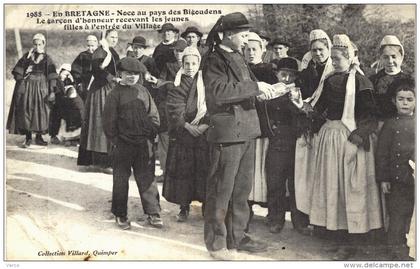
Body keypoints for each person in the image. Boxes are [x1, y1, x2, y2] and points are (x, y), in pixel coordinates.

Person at [290, 34, 383, 260]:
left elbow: (370, 115)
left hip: (350, 140)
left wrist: (358, 136)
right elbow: (319, 109)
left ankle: (354, 242)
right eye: (332, 57)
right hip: (328, 140)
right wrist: (303, 108)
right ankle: (337, 236)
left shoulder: (361, 82)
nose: (334, 61)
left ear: (349, 58)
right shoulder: (329, 79)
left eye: (338, 58)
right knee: (332, 189)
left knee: (349, 190)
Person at [202, 12, 279, 260]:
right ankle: (217, 245)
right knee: (221, 190)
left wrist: (263, 91)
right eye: (243, 35)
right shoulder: (214, 59)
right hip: (227, 134)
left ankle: (237, 236)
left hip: (245, 131)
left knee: (241, 191)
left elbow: (242, 89)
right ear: (227, 35)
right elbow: (218, 93)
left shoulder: (237, 56)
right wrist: (255, 87)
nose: (247, 40)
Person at [102, 57, 163, 230]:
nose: (132, 77)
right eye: (128, 73)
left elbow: (154, 116)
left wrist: (151, 134)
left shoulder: (143, 91)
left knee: (147, 178)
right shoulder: (114, 94)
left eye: (136, 74)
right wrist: (116, 141)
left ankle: (153, 212)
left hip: (144, 144)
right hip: (123, 144)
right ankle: (120, 214)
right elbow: (108, 122)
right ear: (120, 74)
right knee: (121, 179)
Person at [293, 29, 334, 234]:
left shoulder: (335, 71)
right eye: (314, 50)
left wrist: (316, 117)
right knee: (304, 176)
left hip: (323, 128)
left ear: (328, 49)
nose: (318, 53)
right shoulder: (306, 72)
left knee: (321, 177)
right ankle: (302, 218)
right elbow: (298, 97)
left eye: (321, 49)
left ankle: (321, 224)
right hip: (306, 128)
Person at [163, 47, 209, 222]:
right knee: (185, 172)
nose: (190, 67)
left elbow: (212, 104)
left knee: (204, 170)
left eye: (194, 63)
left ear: (199, 64)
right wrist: (187, 126)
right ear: (182, 64)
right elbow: (174, 108)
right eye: (187, 63)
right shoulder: (177, 83)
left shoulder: (206, 82)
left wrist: (205, 125)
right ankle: (184, 207)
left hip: (204, 134)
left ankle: (206, 205)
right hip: (184, 135)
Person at [265, 57, 308, 234]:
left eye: (291, 75)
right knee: (275, 182)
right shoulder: (271, 92)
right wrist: (271, 128)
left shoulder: (299, 92)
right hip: (277, 140)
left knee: (296, 182)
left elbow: (305, 113)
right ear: (277, 74)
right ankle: (276, 219)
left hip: (296, 141)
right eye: (284, 75)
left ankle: (300, 222)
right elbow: (264, 115)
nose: (287, 79)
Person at [376, 77, 415, 260]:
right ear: (394, 101)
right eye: (401, 99)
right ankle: (394, 251)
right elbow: (382, 153)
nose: (405, 103)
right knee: (397, 215)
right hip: (397, 179)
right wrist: (384, 179)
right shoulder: (390, 124)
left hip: (414, 178)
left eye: (409, 99)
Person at [244, 32, 276, 230]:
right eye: (247, 49)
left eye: (255, 49)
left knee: (266, 171)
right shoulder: (240, 70)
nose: (251, 53)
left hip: (264, 128)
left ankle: (273, 214)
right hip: (247, 128)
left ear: (262, 51)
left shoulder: (269, 71)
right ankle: (245, 212)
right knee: (247, 172)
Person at [77, 29, 120, 174]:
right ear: (105, 37)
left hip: (111, 90)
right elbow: (97, 71)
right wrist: (112, 78)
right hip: (101, 91)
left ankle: (109, 160)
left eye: (116, 37)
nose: (114, 39)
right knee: (101, 124)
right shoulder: (100, 52)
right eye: (112, 37)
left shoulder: (112, 52)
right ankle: (101, 162)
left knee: (111, 123)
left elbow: (117, 68)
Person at [7, 33, 58, 148]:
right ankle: (28, 138)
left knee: (40, 112)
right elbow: (18, 70)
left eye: (40, 44)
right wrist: (27, 61)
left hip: (42, 87)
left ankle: (39, 137)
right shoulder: (27, 56)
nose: (37, 46)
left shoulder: (47, 58)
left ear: (44, 44)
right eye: (35, 44)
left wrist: (52, 91)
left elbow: (52, 75)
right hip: (28, 87)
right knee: (27, 110)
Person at [369, 35, 411, 122]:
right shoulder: (374, 80)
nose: (390, 61)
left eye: (393, 56)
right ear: (381, 58)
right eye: (386, 57)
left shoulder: (409, 81)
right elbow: (369, 109)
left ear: (401, 57)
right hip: (380, 126)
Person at [49, 64, 84, 145]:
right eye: (64, 74)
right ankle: (55, 136)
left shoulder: (68, 81)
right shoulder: (56, 81)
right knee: (57, 115)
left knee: (74, 113)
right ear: (60, 72)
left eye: (68, 74)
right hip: (59, 103)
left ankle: (73, 138)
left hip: (66, 103)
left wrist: (72, 81)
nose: (65, 76)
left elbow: (72, 91)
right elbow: (56, 92)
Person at [71, 35, 98, 101]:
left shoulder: (100, 55)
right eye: (88, 46)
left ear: (97, 45)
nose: (90, 48)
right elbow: (75, 69)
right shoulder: (82, 55)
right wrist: (79, 82)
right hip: (85, 83)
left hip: (97, 83)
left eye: (92, 46)